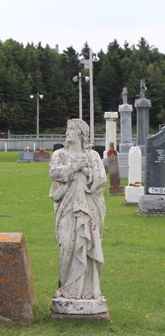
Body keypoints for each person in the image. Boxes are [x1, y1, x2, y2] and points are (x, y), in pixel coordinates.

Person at [49, 119, 107, 301]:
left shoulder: (93, 156)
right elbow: (54, 173)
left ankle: (88, 291)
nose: (67, 132)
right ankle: (67, 289)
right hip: (67, 205)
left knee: (88, 244)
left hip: (89, 208)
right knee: (67, 244)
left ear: (81, 134)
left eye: (72, 129)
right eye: (67, 129)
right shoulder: (60, 154)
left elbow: (102, 179)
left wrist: (87, 171)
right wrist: (74, 167)